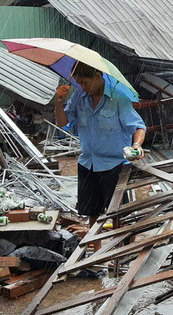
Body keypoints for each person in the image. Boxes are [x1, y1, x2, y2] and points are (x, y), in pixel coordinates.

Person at [54, 63, 146, 233]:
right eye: (79, 83)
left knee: (118, 213)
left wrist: (136, 145)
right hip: (88, 163)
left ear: (97, 76)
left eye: (85, 82)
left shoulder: (118, 98)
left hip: (115, 166)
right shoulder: (78, 98)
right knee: (92, 213)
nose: (82, 87)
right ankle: (97, 254)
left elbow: (139, 127)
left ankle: (119, 253)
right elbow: (63, 124)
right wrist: (59, 103)